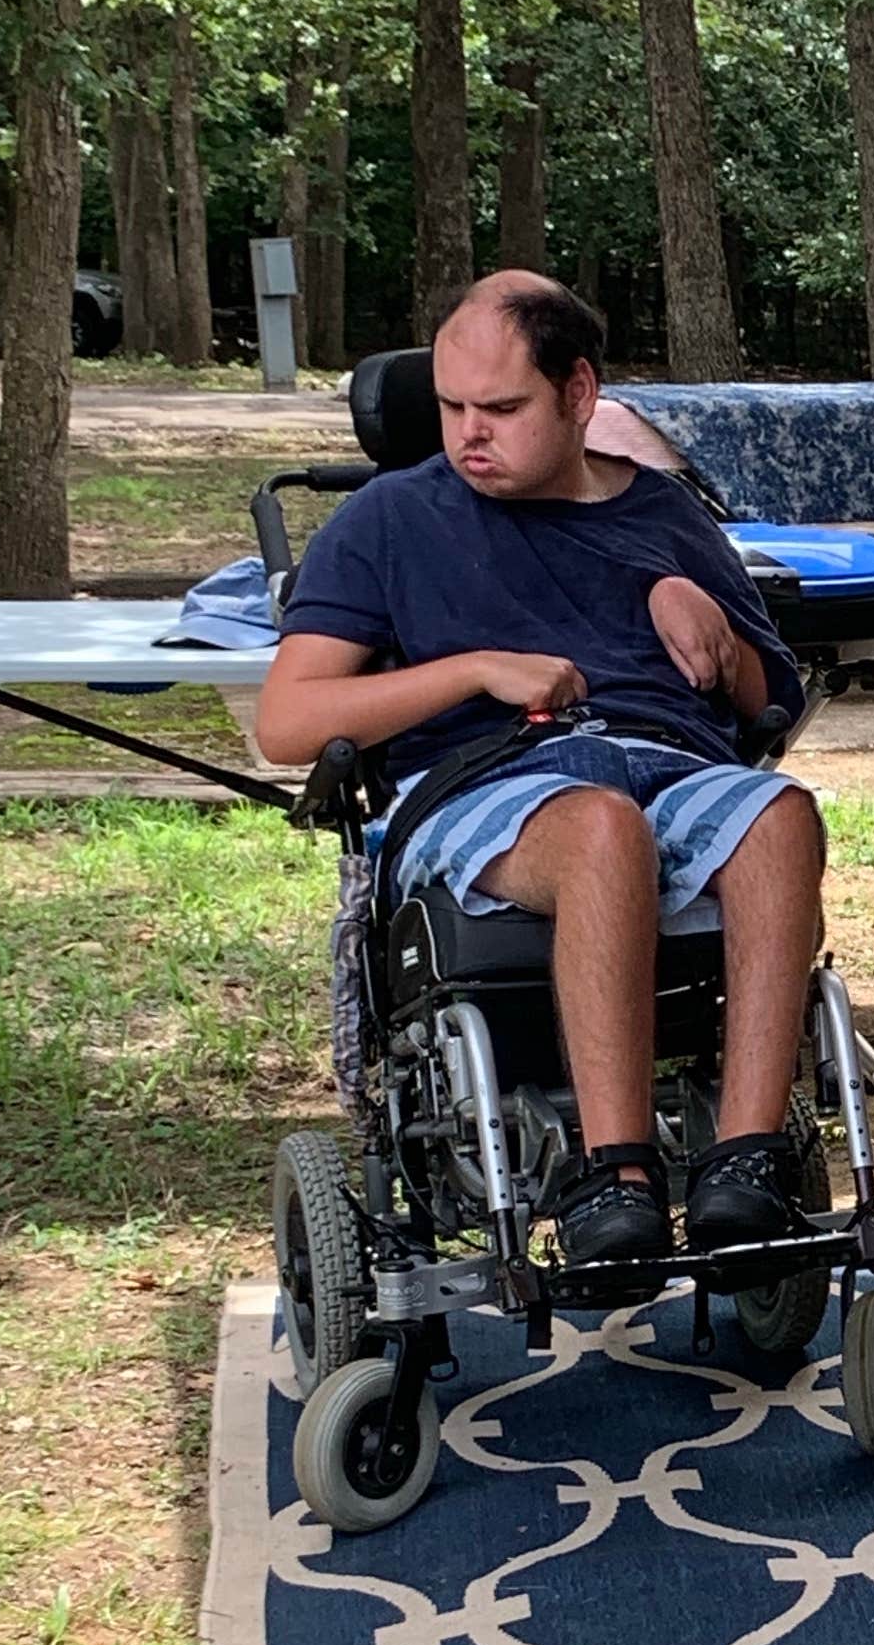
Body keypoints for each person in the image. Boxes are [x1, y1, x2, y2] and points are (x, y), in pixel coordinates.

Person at [254, 270, 825, 1284]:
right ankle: (617, 1175)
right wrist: (474, 670)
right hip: (487, 783)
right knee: (603, 828)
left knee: (780, 814)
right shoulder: (391, 519)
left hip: (667, 761)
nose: (469, 435)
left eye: (502, 409)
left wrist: (706, 619)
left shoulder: (666, 514)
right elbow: (287, 723)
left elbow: (764, 702)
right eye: (451, 408)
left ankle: (745, 1162)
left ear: (579, 394)